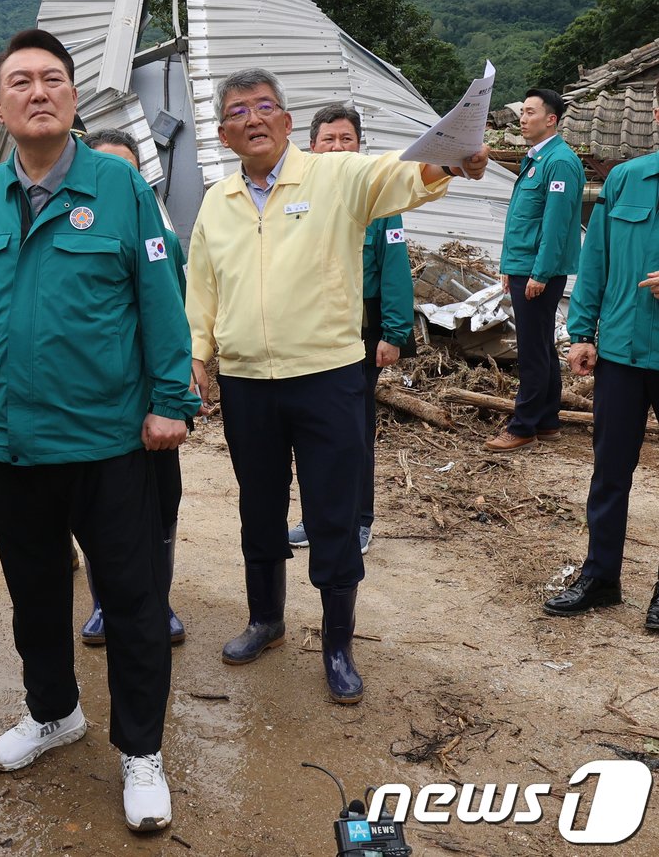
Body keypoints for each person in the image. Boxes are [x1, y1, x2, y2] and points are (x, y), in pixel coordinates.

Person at [0, 29, 197, 834]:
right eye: (21, 82)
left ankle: (140, 750)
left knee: (134, 601)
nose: (38, 91)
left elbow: (159, 301)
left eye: (53, 79)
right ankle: (53, 712)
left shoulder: (120, 188)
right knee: (34, 596)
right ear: (0, 106)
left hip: (112, 442)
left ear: (72, 97)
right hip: (14, 444)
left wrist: (170, 400)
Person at [185, 68, 488, 706]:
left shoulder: (335, 175)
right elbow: (203, 286)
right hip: (247, 383)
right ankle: (265, 619)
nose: (254, 118)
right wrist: (199, 355)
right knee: (259, 505)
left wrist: (453, 162)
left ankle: (337, 643)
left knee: (332, 512)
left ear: (289, 123)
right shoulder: (218, 200)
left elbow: (404, 177)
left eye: (266, 105)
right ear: (223, 133)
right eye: (239, 111)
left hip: (326, 378)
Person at [543, 86, 659, 623]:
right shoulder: (625, 177)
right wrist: (583, 332)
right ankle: (600, 577)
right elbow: (596, 260)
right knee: (610, 472)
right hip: (620, 352)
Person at [287, 104, 415, 556]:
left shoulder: (377, 198)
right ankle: (315, 517)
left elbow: (395, 267)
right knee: (308, 430)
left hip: (361, 333)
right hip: (307, 330)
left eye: (347, 139)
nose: (338, 148)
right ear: (311, 146)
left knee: (353, 430)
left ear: (360, 146)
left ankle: (359, 519)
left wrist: (394, 333)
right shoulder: (296, 197)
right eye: (329, 140)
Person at [78, 128, 186, 647]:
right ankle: (104, 604)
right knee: (98, 514)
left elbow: (174, 323)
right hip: (95, 409)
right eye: (104, 169)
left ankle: (158, 602)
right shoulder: (70, 238)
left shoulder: (163, 243)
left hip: (149, 406)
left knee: (160, 508)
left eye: (127, 169)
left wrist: (175, 400)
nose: (116, 180)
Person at [488, 88, 584, 451]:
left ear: (551, 119)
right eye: (522, 113)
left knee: (531, 350)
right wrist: (507, 266)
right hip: (524, 266)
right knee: (541, 345)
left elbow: (557, 225)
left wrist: (540, 273)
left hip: (538, 271)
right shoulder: (537, 159)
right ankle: (546, 421)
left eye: (530, 112)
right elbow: (521, 219)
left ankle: (523, 426)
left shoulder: (559, 162)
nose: (522, 119)